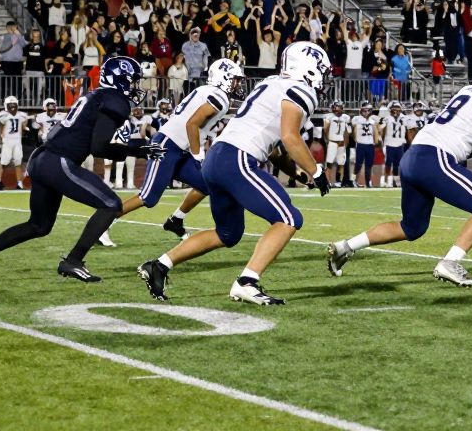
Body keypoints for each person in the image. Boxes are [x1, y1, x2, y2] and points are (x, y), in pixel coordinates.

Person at [137, 42, 331, 305]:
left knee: (228, 233)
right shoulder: (300, 89)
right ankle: (246, 282)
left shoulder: (272, 83)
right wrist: (316, 170)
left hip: (218, 158)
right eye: (321, 69)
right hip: (237, 158)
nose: (324, 76)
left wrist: (298, 174)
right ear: (308, 67)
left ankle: (159, 265)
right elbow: (290, 136)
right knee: (288, 218)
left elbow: (273, 148)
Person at [328, 56, 472, 287]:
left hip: (414, 157)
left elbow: (467, 131)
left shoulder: (467, 92)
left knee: (412, 227)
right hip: (435, 157)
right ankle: (450, 263)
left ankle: (346, 246)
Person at [0, 58, 164, 283]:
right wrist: (140, 149)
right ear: (121, 80)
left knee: (38, 225)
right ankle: (73, 260)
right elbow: (99, 147)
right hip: (58, 161)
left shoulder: (94, 95)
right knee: (111, 204)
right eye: (133, 81)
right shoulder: (114, 100)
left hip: (42, 158)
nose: (136, 87)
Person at [113, 60, 245, 244]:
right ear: (223, 78)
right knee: (148, 197)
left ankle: (176, 219)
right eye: (235, 80)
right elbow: (192, 123)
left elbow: (195, 126)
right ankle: (106, 220)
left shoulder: (206, 91)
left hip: (179, 148)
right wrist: (199, 157)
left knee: (207, 184)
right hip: (167, 145)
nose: (238, 84)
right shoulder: (219, 96)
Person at [0, 97, 29, 190]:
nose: (12, 107)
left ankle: (19, 184)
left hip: (17, 141)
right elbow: (0, 128)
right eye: (10, 105)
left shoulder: (22, 115)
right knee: (3, 163)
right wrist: (0, 139)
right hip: (7, 141)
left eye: (14, 105)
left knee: (18, 163)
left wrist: (24, 126)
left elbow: (23, 125)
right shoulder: (2, 115)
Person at [378, 101, 412, 188]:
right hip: (389, 143)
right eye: (394, 108)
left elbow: (409, 130)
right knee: (388, 163)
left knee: (397, 164)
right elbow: (380, 128)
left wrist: (410, 142)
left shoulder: (405, 118)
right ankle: (385, 180)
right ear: (390, 109)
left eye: (397, 108)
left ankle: (396, 181)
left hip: (400, 143)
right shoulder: (387, 118)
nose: (396, 110)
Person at [323, 101, 351, 188]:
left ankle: (339, 181)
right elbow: (325, 129)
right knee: (329, 163)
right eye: (335, 108)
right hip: (332, 142)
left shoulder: (346, 118)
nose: (336, 110)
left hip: (341, 143)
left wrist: (345, 143)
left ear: (342, 108)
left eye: (338, 108)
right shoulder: (329, 117)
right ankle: (328, 181)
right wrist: (328, 140)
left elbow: (347, 132)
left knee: (341, 163)